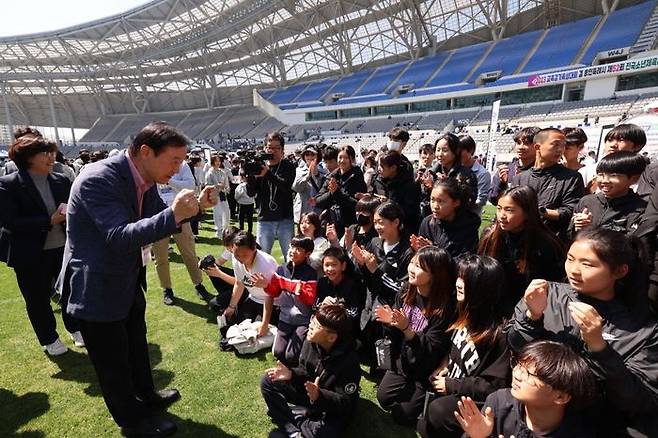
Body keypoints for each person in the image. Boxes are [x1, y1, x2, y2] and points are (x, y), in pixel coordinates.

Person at [61, 122, 216, 436]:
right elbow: (120, 236)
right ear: (146, 152)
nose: (178, 168)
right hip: (97, 287)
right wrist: (175, 213)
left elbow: (161, 218)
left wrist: (197, 206)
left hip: (126, 279)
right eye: (174, 160)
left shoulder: (143, 178)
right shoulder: (99, 179)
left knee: (135, 345)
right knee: (112, 363)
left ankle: (147, 395)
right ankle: (133, 422)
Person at [507, 228, 658, 437]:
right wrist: (532, 317)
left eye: (587, 264)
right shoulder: (548, 294)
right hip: (530, 414)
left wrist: (599, 347)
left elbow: (638, 399)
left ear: (620, 271)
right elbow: (515, 346)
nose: (574, 270)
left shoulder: (641, 329)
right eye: (570, 259)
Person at [0, 133, 81, 355]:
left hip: (62, 248)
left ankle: (75, 328)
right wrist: (49, 221)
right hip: (29, 253)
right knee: (37, 299)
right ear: (27, 158)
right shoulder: (9, 185)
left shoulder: (61, 180)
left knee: (71, 291)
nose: (50, 157)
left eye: (50, 152)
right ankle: (49, 338)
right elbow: (9, 221)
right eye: (44, 153)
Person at [417, 255, 511, 438]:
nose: (458, 283)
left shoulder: (500, 334)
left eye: (465, 279)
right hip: (452, 382)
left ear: (482, 288)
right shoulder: (464, 308)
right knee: (420, 421)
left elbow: (492, 386)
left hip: (473, 400)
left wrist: (452, 385)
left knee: (438, 411)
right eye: (459, 276)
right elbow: (454, 346)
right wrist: (445, 363)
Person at [375, 246, 457, 425]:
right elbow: (395, 336)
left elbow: (432, 350)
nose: (411, 269)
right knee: (383, 398)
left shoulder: (444, 308)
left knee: (402, 415)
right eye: (412, 263)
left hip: (425, 370)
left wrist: (407, 330)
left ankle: (425, 396)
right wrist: (390, 324)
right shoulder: (406, 290)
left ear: (435, 275)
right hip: (403, 363)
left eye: (419, 267)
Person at [455, 341, 597, 438]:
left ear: (561, 397)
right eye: (518, 365)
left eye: (529, 373)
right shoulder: (498, 403)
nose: (516, 374)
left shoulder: (580, 432)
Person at [260, 304, 361, 438]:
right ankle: (294, 430)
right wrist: (291, 374)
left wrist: (320, 396)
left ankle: (293, 416)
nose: (311, 324)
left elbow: (345, 404)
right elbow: (304, 370)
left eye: (317, 325)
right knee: (268, 381)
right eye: (313, 319)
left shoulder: (349, 363)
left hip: (330, 408)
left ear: (331, 337)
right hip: (310, 394)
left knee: (324, 433)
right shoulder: (311, 341)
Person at [479, 186, 564, 307]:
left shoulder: (546, 244)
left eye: (509, 210)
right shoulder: (490, 236)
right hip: (494, 305)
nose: (502, 215)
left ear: (527, 213)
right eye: (499, 209)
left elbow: (552, 287)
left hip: (530, 308)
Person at [153, 160, 213, 306]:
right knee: (161, 257)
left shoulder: (182, 164)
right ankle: (167, 289)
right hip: (157, 216)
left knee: (189, 253)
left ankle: (198, 284)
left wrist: (169, 180)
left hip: (181, 214)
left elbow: (189, 186)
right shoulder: (153, 163)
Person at [511, 128, 584, 241]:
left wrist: (541, 211)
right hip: (520, 240)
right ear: (537, 147)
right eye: (555, 145)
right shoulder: (520, 178)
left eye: (563, 145)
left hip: (552, 242)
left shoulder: (572, 178)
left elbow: (570, 211)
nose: (560, 150)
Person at [254, 237, 318, 367]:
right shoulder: (281, 269)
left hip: (302, 321)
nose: (293, 251)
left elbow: (310, 299)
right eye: (291, 247)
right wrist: (266, 285)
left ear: (308, 254)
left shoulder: (310, 273)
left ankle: (306, 347)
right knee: (278, 352)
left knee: (291, 356)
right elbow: (274, 292)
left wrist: (296, 290)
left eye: (298, 249)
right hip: (285, 319)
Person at [571, 151, 647, 236]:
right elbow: (569, 235)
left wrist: (592, 231)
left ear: (634, 179)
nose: (605, 181)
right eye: (601, 175)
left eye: (613, 175)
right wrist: (577, 226)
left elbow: (635, 244)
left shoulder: (641, 209)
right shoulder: (587, 201)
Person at [221, 232, 279, 338]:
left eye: (245, 255)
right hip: (253, 298)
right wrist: (231, 307)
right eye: (236, 254)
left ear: (254, 249)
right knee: (238, 327)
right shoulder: (235, 258)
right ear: (232, 249)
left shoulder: (266, 265)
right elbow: (239, 283)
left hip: (272, 303)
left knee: (259, 332)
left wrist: (265, 324)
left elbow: (269, 296)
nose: (240, 258)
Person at [247, 132, 296, 255]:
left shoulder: (288, 166)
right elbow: (250, 193)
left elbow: (285, 186)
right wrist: (251, 177)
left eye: (277, 148)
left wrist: (267, 174)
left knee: (290, 256)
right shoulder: (259, 166)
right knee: (261, 257)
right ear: (265, 148)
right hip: (265, 219)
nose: (273, 151)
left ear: (282, 150)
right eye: (270, 147)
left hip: (285, 219)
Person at [413, 180, 481, 259]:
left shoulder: (468, 227)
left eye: (440, 201)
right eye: (432, 200)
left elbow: (464, 264)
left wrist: (434, 253)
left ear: (456, 203)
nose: (435, 206)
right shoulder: (428, 223)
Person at [315, 145, 367, 238]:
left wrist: (337, 193)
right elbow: (318, 201)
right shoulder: (332, 176)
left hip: (351, 224)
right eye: (340, 157)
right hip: (332, 223)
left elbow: (357, 204)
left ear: (352, 159)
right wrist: (331, 193)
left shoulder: (357, 177)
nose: (342, 161)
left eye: (346, 158)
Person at [313, 246, 366, 338]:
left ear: (343, 266)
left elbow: (355, 313)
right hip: (325, 327)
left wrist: (338, 308)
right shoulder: (322, 283)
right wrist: (323, 305)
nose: (330, 269)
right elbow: (314, 307)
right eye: (327, 265)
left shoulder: (351, 285)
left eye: (334, 265)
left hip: (345, 331)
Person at [371, 150, 421, 232]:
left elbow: (411, 211)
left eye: (382, 166)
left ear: (393, 168)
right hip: (382, 227)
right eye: (378, 165)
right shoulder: (378, 180)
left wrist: (390, 203)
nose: (379, 169)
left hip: (404, 229)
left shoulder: (409, 184)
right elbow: (374, 195)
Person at [489, 127, 540, 205]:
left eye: (526, 143)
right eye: (518, 143)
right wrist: (502, 184)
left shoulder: (542, 171)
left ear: (537, 146)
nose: (520, 147)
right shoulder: (505, 170)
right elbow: (493, 200)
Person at [431, 133, 478, 209]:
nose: (440, 154)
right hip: (434, 218)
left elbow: (468, 201)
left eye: (445, 150)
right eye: (438, 150)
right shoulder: (431, 173)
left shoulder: (466, 174)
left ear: (456, 151)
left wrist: (446, 184)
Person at [459, 135, 491, 216]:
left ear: (471, 150)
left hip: (470, 219)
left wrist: (459, 205)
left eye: (461, 151)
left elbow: (481, 200)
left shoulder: (483, 173)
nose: (457, 154)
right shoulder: (455, 170)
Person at [292, 145, 327, 220]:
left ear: (318, 156)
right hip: (303, 209)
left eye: (313, 154)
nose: (310, 157)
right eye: (307, 154)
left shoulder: (324, 170)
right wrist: (307, 176)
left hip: (318, 209)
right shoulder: (298, 170)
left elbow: (324, 188)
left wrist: (317, 174)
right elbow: (296, 188)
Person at [561, 127, 595, 191]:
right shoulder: (551, 169)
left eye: (567, 148)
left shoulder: (587, 173)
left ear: (580, 147)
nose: (562, 151)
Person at [205, 154, 231, 238]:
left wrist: (226, 187)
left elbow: (226, 183)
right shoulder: (210, 173)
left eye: (219, 161)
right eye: (216, 161)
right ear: (212, 162)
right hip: (215, 195)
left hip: (223, 194)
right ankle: (219, 230)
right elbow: (207, 185)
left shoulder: (222, 172)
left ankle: (225, 228)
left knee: (226, 212)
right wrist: (217, 186)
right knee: (218, 212)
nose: (218, 163)